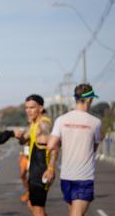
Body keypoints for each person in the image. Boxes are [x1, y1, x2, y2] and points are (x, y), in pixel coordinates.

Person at [47, 84, 102, 216]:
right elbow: (94, 148)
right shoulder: (96, 122)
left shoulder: (61, 120)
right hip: (84, 177)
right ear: (89, 100)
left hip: (66, 177)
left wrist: (51, 166)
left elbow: (50, 145)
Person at [18, 95, 58, 216]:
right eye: (26, 108)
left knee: (38, 209)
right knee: (32, 205)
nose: (28, 111)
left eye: (32, 108)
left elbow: (54, 148)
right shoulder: (34, 123)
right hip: (35, 170)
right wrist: (19, 136)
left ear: (40, 108)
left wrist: (51, 168)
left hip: (42, 171)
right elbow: (24, 140)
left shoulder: (43, 124)